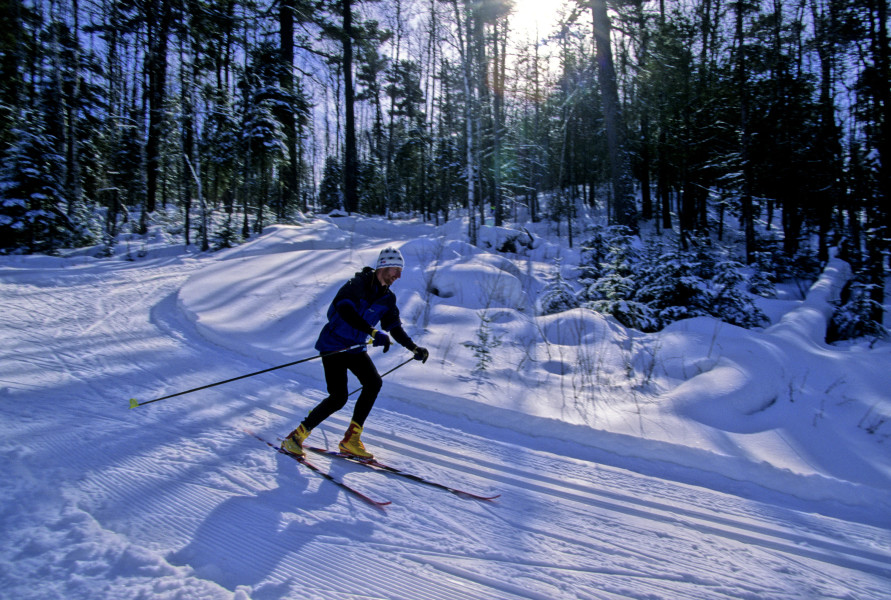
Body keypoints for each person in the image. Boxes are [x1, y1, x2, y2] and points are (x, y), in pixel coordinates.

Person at [281, 247, 429, 459]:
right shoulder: (357, 285)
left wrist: (414, 348)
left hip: (355, 348)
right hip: (333, 346)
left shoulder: (388, 298)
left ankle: (351, 440)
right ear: (383, 266)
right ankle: (295, 437)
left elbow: (394, 328)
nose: (399, 275)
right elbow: (345, 310)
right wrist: (371, 331)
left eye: (400, 270)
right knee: (338, 397)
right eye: (396, 269)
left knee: (374, 383)